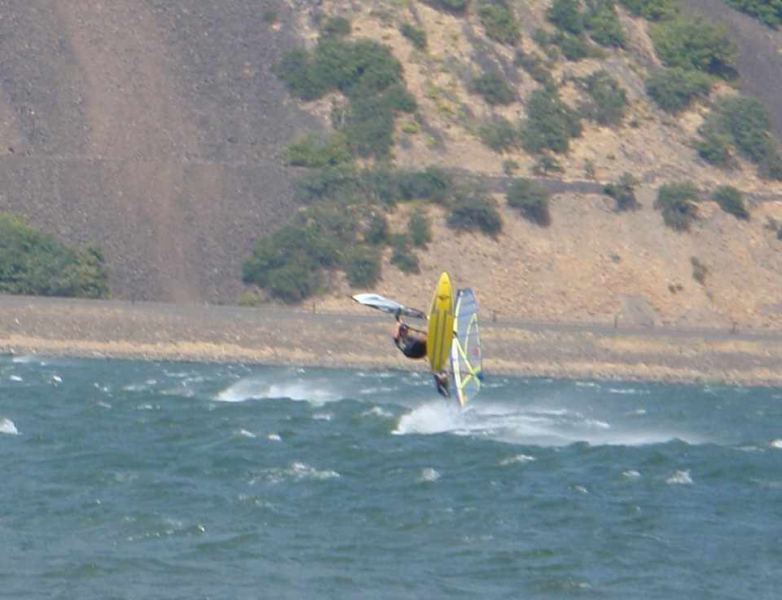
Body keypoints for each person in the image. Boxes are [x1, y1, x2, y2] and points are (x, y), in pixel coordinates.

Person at [393, 314, 450, 398]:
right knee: (424, 339)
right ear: (401, 332)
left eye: (406, 330)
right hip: (410, 351)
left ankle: (441, 380)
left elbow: (400, 322)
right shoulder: (399, 339)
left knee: (429, 346)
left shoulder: (408, 337)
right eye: (403, 330)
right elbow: (396, 334)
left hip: (419, 352)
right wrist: (398, 324)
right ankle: (440, 376)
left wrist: (398, 317)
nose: (406, 331)